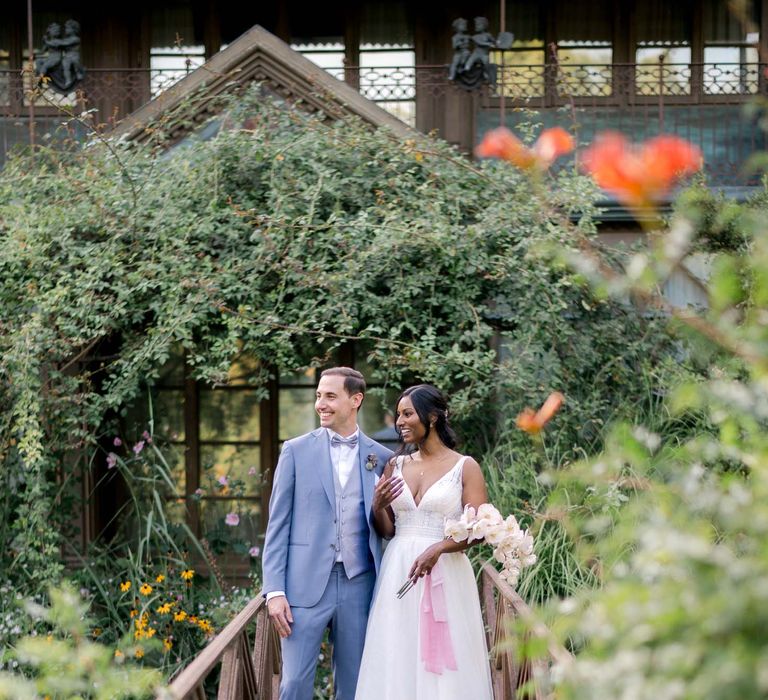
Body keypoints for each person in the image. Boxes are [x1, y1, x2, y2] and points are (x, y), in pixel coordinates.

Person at [262, 367, 393, 700]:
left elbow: (389, 527)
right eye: (319, 395)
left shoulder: (382, 458)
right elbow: (277, 524)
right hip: (303, 586)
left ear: (356, 400)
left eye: (330, 396)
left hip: (359, 583)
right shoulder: (295, 450)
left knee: (354, 684)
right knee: (293, 683)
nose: (321, 403)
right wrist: (274, 590)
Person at [355, 384, 493, 699]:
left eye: (408, 414)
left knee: (446, 657)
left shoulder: (465, 467)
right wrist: (377, 507)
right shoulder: (396, 465)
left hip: (446, 572)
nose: (400, 421)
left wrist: (440, 547)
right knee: (398, 650)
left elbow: (479, 530)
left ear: (432, 417)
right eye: (398, 415)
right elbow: (388, 530)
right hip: (399, 569)